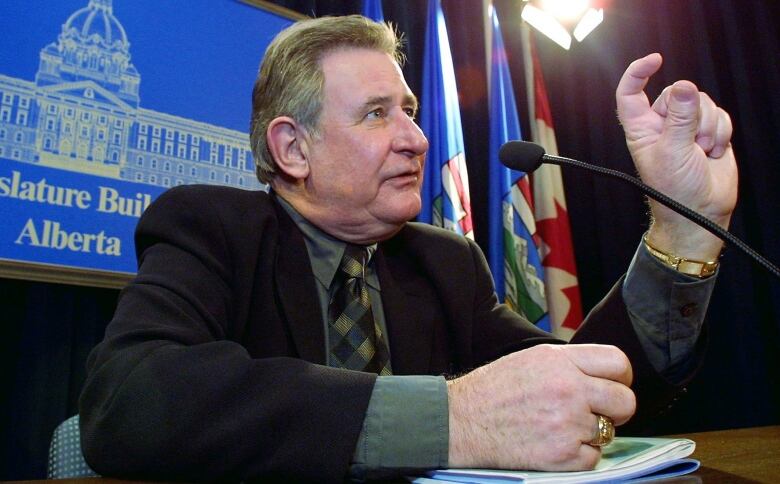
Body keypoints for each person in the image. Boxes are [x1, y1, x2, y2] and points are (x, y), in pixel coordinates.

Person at [78, 14, 737, 483]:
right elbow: (130, 402)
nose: (417, 139)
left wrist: (683, 232)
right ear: (292, 148)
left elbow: (585, 404)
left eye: (411, 110)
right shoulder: (211, 227)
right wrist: (452, 419)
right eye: (376, 114)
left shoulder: (445, 263)